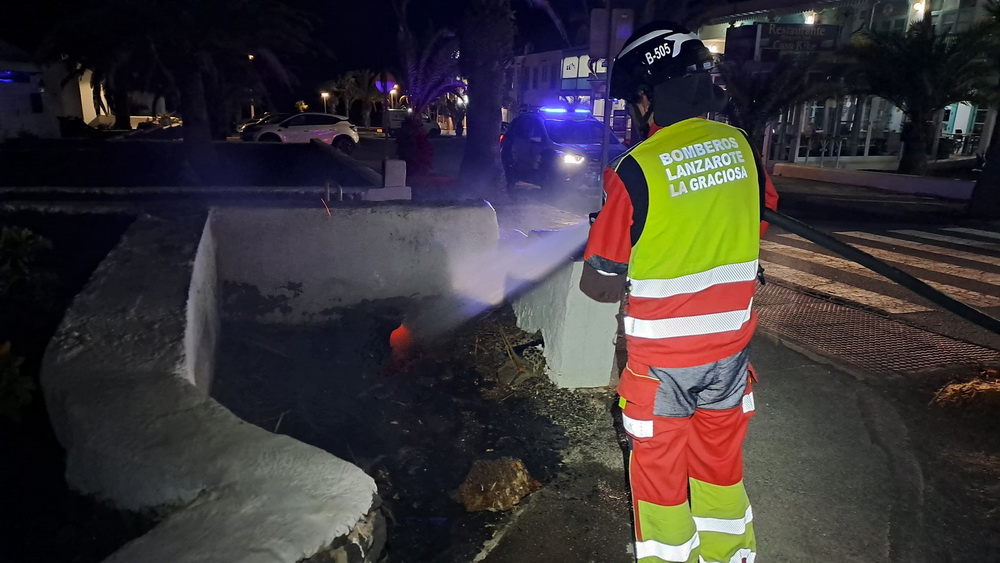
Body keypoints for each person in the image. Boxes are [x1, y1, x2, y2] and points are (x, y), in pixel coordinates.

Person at [579, 21, 779, 563]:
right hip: (730, 358)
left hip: (662, 370)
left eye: (633, 101)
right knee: (719, 466)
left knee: (660, 479)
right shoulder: (740, 148)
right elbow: (759, 221)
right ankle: (731, 553)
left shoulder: (635, 170)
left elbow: (599, 283)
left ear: (649, 98)